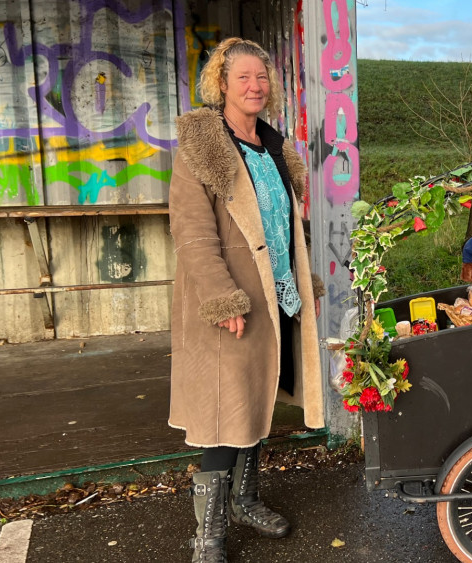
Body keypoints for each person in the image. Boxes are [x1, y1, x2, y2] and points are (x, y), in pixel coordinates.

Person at [167, 37, 325, 563]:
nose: (255, 86)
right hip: (233, 301)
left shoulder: (273, 146)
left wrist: (302, 283)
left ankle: (245, 500)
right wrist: (222, 298)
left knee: (258, 399)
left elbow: (285, 226)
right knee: (223, 414)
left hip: (275, 296)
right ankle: (207, 536)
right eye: (243, 77)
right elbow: (192, 232)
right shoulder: (203, 146)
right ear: (222, 83)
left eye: (262, 77)